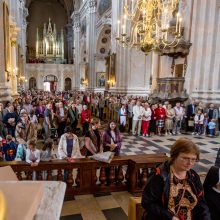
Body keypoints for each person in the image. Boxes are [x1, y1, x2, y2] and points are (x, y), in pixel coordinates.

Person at [141, 138, 211, 220]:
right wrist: (170, 217)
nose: (190, 163)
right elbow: (147, 202)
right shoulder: (160, 175)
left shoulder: (193, 176)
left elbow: (201, 203)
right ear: (174, 156)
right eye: (185, 158)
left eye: (193, 159)